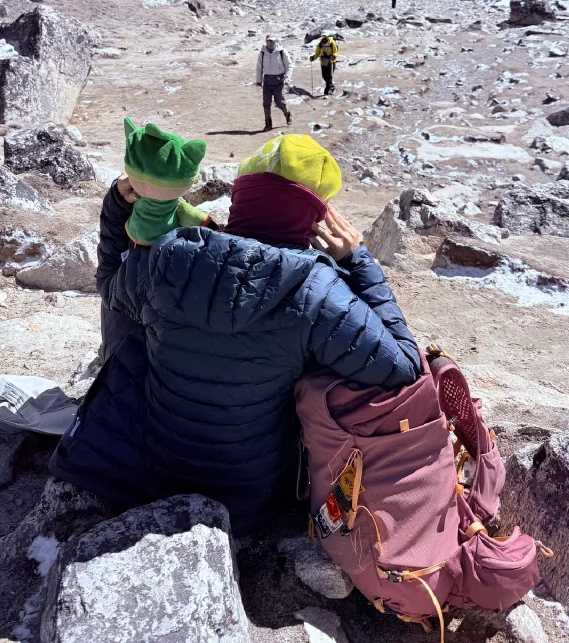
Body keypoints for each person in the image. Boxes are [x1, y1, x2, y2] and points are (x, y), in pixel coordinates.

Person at [50, 134, 421, 536]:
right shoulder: (318, 289)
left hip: (150, 474)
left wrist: (118, 206)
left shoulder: (171, 254)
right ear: (318, 219)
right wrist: (357, 261)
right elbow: (403, 367)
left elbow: (108, 286)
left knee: (144, 316)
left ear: (239, 198)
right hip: (248, 504)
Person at [100, 118, 213, 361]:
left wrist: (116, 203)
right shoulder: (203, 280)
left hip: (120, 380)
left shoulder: (119, 285)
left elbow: (107, 276)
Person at [255, 33, 292, 131]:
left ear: (276, 41)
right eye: (268, 41)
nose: (270, 43)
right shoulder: (262, 53)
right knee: (266, 103)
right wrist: (258, 80)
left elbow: (289, 65)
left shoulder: (281, 52)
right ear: (266, 42)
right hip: (267, 81)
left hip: (279, 81)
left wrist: (287, 78)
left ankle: (287, 114)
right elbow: (259, 67)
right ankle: (268, 124)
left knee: (280, 102)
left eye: (272, 41)